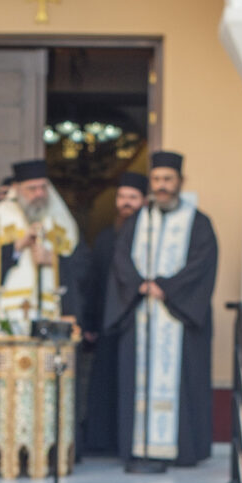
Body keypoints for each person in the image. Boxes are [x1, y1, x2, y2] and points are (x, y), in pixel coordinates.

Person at [107, 150, 219, 470]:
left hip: (177, 318)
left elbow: (202, 265)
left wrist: (166, 288)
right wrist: (140, 285)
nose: (162, 186)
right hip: (141, 314)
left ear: (180, 182)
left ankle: (180, 451)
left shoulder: (198, 222)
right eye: (157, 180)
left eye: (168, 180)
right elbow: (121, 260)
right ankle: (139, 449)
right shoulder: (138, 221)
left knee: (180, 383)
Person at [74, 172, 146, 456]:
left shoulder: (148, 237)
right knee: (104, 381)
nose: (125, 203)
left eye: (132, 198)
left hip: (136, 320)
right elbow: (94, 282)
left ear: (143, 201)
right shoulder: (105, 237)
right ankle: (103, 441)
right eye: (121, 197)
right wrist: (89, 321)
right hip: (107, 321)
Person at [0, 159, 82, 332]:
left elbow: (83, 268)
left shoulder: (62, 222)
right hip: (9, 316)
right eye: (32, 189)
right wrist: (17, 247)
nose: (39, 193)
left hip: (52, 316)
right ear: (17, 189)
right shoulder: (1, 218)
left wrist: (53, 261)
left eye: (43, 188)